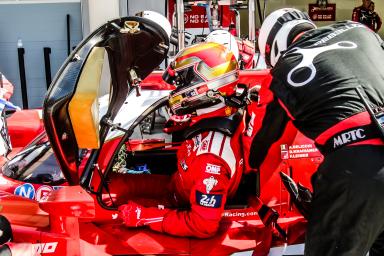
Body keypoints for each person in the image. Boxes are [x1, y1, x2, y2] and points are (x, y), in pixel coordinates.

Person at [252, 8, 384, 256]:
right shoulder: (361, 30)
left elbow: (262, 143)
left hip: (358, 167)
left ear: (272, 47)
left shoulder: (282, 71)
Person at [118, 42, 245, 238]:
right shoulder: (215, 116)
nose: (177, 88)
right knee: (116, 184)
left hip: (179, 203)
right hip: (176, 186)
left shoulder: (211, 158)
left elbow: (203, 225)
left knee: (112, 208)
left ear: (205, 86)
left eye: (183, 81)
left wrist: (144, 216)